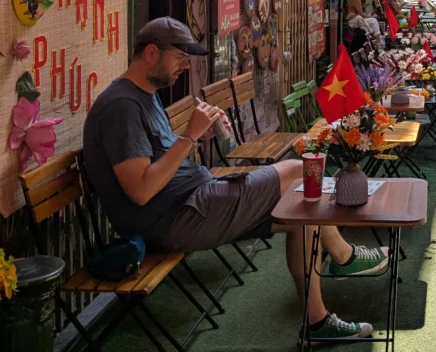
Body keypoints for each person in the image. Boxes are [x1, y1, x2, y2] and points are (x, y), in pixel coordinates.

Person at [82, 18, 387, 342]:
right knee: (300, 171)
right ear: (152, 53)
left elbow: (161, 160)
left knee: (304, 207)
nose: (185, 66)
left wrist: (195, 137)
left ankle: (318, 322)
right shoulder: (121, 107)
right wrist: (189, 136)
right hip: (177, 217)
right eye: (180, 57)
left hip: (196, 199)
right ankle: (342, 257)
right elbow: (141, 191)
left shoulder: (144, 95)